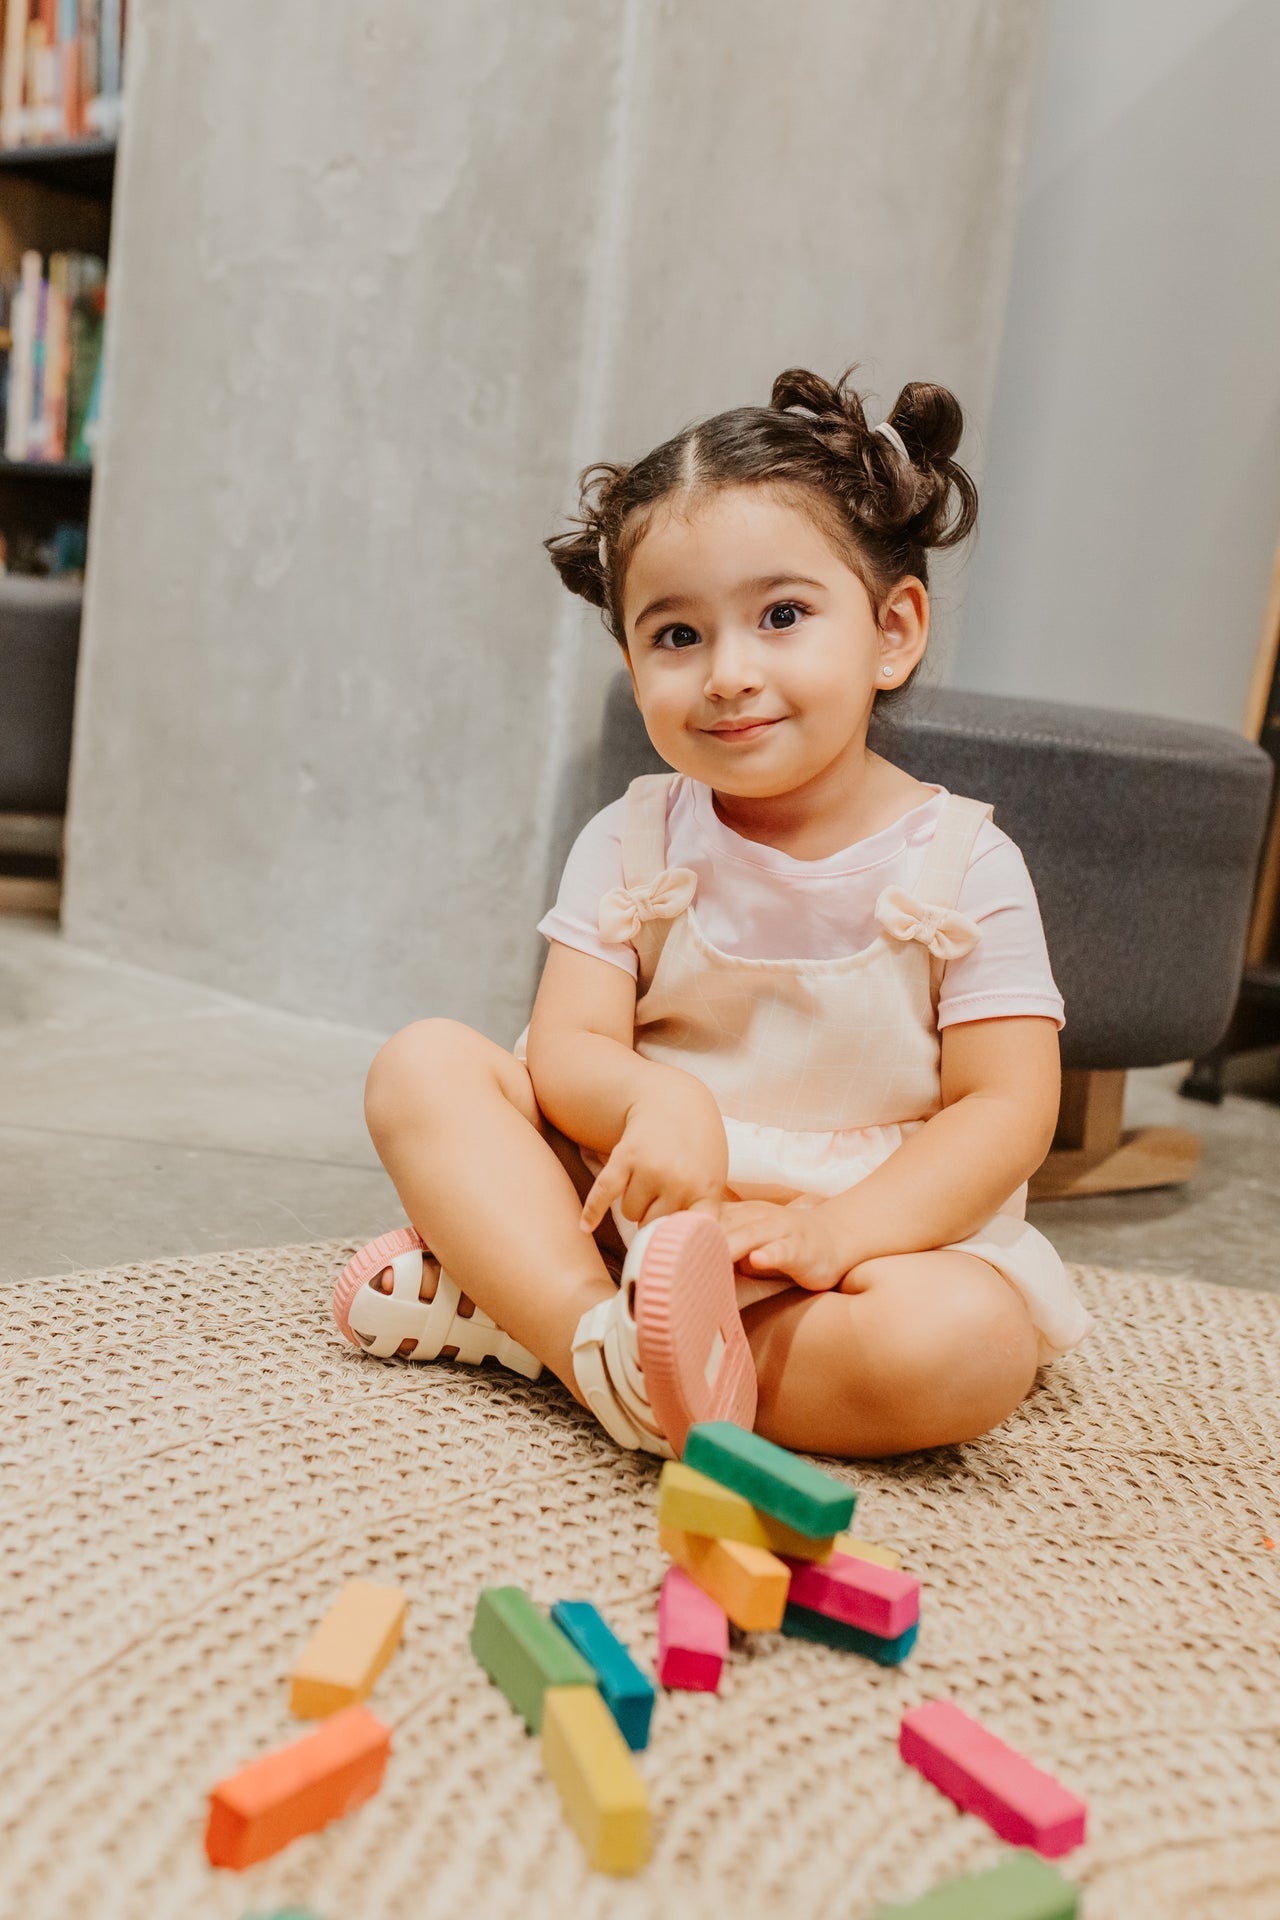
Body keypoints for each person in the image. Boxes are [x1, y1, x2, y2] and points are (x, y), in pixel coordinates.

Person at [332, 363, 1092, 1461]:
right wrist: (657, 1101)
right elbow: (568, 1048)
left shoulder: (962, 864)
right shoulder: (635, 838)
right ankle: (590, 1336)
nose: (728, 673)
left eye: (781, 616)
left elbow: (1003, 1111)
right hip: (633, 1202)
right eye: (675, 636)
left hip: (843, 1251)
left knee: (966, 1346)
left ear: (892, 630)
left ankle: (546, 1332)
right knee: (422, 1065)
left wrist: (834, 1233)